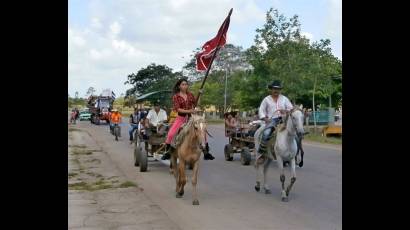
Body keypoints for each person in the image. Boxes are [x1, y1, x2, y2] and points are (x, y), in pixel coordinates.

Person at [162, 78, 215, 160]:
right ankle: (168, 152)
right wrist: (189, 111)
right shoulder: (176, 96)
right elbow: (178, 109)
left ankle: (206, 152)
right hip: (181, 118)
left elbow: (196, 103)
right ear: (179, 86)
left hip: (192, 118)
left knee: (202, 132)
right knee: (170, 134)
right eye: (182, 84)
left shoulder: (190, 95)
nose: (184, 86)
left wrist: (200, 95)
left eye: (186, 84)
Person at [257, 80, 293, 155]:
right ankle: (262, 152)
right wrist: (265, 119)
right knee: (266, 133)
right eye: (274, 89)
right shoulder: (266, 99)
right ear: (271, 89)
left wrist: (285, 111)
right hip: (271, 120)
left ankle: (294, 153)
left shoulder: (284, 99)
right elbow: (261, 110)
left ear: (280, 90)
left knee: (294, 134)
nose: (276, 90)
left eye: (278, 89)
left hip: (284, 120)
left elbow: (291, 108)